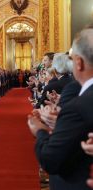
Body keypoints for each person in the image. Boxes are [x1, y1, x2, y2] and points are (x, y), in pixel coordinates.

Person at [28, 28, 93, 189]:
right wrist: (61, 121)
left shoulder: (76, 106)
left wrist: (41, 131)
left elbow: (50, 159)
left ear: (78, 63)